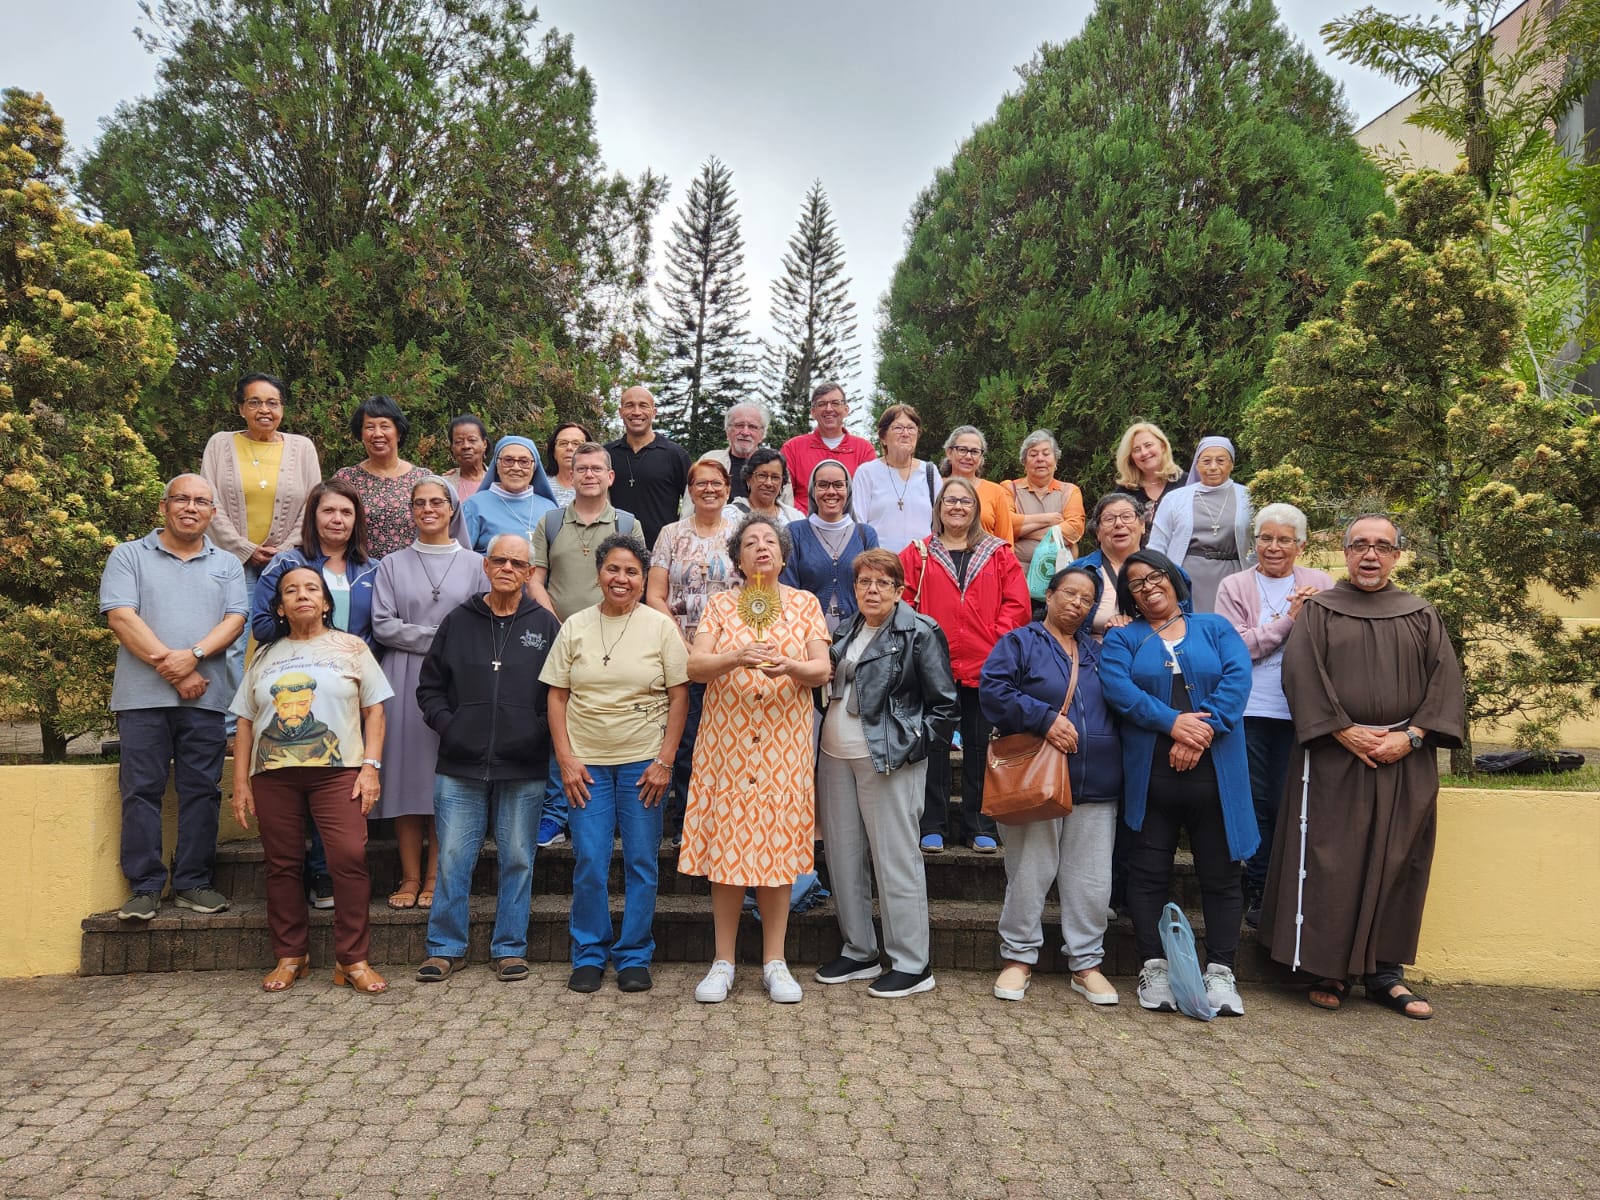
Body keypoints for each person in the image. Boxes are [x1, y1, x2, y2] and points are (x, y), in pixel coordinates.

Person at [1258, 515, 1464, 1020]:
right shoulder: (1320, 610)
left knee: (1398, 860)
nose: (1370, 555)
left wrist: (1411, 736)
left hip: (1404, 758)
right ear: (1345, 554)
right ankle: (1329, 968)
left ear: (1397, 555)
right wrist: (1342, 730)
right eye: (1360, 546)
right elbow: (1301, 674)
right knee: (1334, 860)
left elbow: (1446, 683)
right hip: (1333, 755)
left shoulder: (1420, 614)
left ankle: (1385, 974)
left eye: (1381, 547)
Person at [681, 515, 832, 1003]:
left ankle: (775, 961)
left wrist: (789, 666)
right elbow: (696, 666)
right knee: (727, 849)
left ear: (784, 556)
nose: (761, 548)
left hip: (783, 747)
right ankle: (722, 961)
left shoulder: (805, 604)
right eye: (750, 542)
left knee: (777, 852)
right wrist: (737, 656)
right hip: (726, 743)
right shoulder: (721, 605)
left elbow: (821, 670)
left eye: (770, 541)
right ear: (738, 559)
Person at [1100, 550, 1256, 1017]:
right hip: (1152, 774)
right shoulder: (1121, 639)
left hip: (1215, 772)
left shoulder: (1216, 628)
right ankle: (1154, 967)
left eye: (1155, 578)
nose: (1148, 588)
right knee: (1147, 875)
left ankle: (1222, 972)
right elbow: (1119, 690)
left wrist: (1201, 729)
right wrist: (1174, 724)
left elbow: (1237, 677)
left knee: (1222, 875)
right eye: (1137, 585)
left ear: (1174, 579)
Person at [229, 567, 392, 993]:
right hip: (272, 775)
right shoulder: (265, 655)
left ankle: (352, 960)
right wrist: (241, 782)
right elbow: (245, 721)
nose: (302, 596)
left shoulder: (352, 647)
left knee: (348, 858)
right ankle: (290, 955)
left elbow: (375, 710)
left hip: (338, 773)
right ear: (280, 607)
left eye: (311, 589)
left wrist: (370, 766)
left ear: (325, 602)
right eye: (291, 591)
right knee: (282, 864)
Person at [542, 536, 690, 993]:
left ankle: (633, 954)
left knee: (643, 861)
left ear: (644, 580)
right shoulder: (575, 626)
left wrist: (665, 761)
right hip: (587, 766)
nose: (621, 579)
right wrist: (565, 759)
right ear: (598, 574)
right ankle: (589, 952)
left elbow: (680, 694)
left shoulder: (660, 627)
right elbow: (557, 695)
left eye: (631, 572)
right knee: (589, 859)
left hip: (643, 765)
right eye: (613, 569)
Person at [413, 534, 561, 984]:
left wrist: (534, 733)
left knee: (518, 857)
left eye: (518, 563)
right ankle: (444, 947)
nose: (508, 568)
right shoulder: (458, 621)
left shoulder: (546, 626)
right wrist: (451, 725)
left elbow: (559, 692)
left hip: (524, 765)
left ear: (530, 573)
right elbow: (429, 687)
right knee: (454, 857)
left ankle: (510, 948)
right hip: (460, 763)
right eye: (499, 560)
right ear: (485, 565)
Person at [100, 475, 248, 921]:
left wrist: (196, 656)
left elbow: (236, 619)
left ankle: (193, 882)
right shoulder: (129, 555)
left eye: (201, 501)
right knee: (140, 790)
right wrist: (176, 669)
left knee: (202, 791)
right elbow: (121, 616)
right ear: (164, 506)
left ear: (213, 514)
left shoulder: (227, 563)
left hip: (205, 700)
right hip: (142, 699)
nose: (191, 507)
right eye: (181, 499)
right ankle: (144, 887)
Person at [815, 549, 958, 998]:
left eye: (882, 583)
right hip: (834, 757)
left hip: (889, 761)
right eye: (864, 582)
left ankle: (913, 963)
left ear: (900, 590)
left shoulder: (919, 631)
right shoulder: (845, 628)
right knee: (842, 855)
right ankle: (860, 950)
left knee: (895, 859)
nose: (871, 590)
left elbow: (945, 705)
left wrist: (910, 747)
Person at [979, 566, 1123, 1005]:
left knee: (1092, 880)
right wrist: (1044, 720)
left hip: (1096, 782)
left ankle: (1086, 963)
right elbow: (993, 690)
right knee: (1029, 872)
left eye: (1087, 599)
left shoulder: (1098, 652)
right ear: (1051, 594)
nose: (1077, 604)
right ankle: (1018, 958)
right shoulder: (1021, 642)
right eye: (1070, 594)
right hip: (1036, 781)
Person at [252, 478, 380, 910]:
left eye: (346, 512)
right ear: (314, 516)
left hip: (351, 683)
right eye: (329, 511)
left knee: (338, 780)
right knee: (297, 773)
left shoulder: (372, 568)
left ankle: (326, 874)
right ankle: (301, 869)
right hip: (294, 681)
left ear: (357, 520)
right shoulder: (288, 564)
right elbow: (262, 625)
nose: (338, 519)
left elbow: (378, 629)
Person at [1214, 503, 1334, 925]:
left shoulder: (1321, 583)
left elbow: (1331, 642)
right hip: (1250, 710)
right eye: (1265, 538)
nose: (1274, 547)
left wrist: (1312, 617)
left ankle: (1292, 890)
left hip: (1302, 713)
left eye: (1284, 539)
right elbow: (1237, 648)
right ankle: (1260, 888)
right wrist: (1289, 620)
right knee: (1257, 801)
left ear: (1300, 545)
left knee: (1293, 801)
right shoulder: (1234, 586)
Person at [371, 477, 487, 910]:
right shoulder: (391, 564)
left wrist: (439, 641)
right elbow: (383, 624)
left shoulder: (477, 564)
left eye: (437, 502)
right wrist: (438, 636)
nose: (428, 509)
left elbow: (479, 622)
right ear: (411, 511)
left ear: (453, 509)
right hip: (401, 677)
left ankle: (438, 873)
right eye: (419, 503)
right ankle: (409, 875)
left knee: (444, 777)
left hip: (456, 680)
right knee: (405, 778)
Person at [900, 476, 1031, 854]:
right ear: (939, 509)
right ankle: (933, 824)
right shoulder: (918, 553)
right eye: (950, 501)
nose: (957, 507)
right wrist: (921, 642)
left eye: (965, 502)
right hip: (933, 663)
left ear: (976, 510)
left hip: (985, 664)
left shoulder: (998, 552)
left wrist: (995, 639)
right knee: (936, 747)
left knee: (979, 746)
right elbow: (905, 601)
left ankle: (980, 825)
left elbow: (1017, 604)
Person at [528, 441, 645, 848]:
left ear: (610, 476)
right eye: (582, 469)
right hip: (559, 636)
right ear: (571, 475)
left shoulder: (627, 523)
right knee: (558, 719)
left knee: (605, 716)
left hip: (614, 638)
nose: (590, 475)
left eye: (598, 469)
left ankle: (604, 810)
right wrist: (558, 623)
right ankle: (555, 812)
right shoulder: (551, 522)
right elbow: (534, 579)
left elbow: (633, 580)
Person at [199, 372, 322, 725]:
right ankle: (231, 725)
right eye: (254, 402)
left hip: (287, 561)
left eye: (272, 402)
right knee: (234, 640)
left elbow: (312, 504)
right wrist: (244, 548)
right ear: (241, 408)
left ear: (282, 409)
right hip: (231, 560)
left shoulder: (301, 448)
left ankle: (278, 717)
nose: (264, 409)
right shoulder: (220, 444)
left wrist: (283, 550)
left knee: (283, 637)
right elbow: (211, 502)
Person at [646, 459, 739, 844]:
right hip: (679, 648)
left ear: (728, 489)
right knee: (687, 740)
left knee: (727, 741)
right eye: (700, 483)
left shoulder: (741, 533)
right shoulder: (671, 534)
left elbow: (757, 591)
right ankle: (685, 821)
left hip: (731, 654)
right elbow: (654, 594)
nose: (709, 490)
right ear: (689, 490)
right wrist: (683, 645)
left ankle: (725, 822)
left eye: (716, 483)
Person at [1147, 435, 1254, 613]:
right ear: (1196, 465)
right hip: (1186, 578)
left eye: (1221, 460)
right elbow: (1157, 546)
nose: (1213, 467)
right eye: (1206, 461)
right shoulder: (1175, 499)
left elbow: (1262, 541)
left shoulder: (1248, 497)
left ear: (1232, 464)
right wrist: (1161, 578)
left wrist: (1251, 570)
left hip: (1233, 577)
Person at [780, 459, 880, 634]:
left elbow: (876, 589)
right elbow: (788, 592)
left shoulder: (866, 535)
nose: (831, 491)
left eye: (838, 485)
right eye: (823, 485)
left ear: (848, 490)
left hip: (857, 636)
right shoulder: (794, 533)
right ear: (813, 490)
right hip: (806, 636)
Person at [333, 395, 434, 559]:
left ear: (398, 432)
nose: (377, 434)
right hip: (361, 572)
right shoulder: (346, 478)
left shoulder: (423, 479)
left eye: (385, 426)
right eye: (370, 427)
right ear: (362, 435)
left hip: (413, 572)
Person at [605, 385, 691, 551]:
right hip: (614, 550)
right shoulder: (606, 455)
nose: (636, 412)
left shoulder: (675, 455)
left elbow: (692, 501)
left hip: (662, 552)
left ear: (654, 412)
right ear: (620, 412)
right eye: (629, 405)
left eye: (643, 405)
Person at [851, 403, 938, 554]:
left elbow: (940, 522)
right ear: (883, 437)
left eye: (911, 428)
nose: (906, 433)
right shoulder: (866, 473)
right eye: (898, 428)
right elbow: (858, 524)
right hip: (880, 565)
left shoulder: (930, 472)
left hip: (922, 564)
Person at [779, 381, 877, 515]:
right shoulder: (792, 448)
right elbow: (784, 494)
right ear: (813, 412)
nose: (829, 409)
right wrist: (806, 520)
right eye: (822, 404)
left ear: (846, 410)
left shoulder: (864, 450)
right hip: (802, 525)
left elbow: (870, 497)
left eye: (835, 403)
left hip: (850, 527)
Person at [1006, 430, 1086, 581]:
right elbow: (1005, 525)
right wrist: (1049, 519)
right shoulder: (1009, 489)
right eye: (1033, 454)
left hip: (1059, 579)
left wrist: (1022, 532)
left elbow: (1074, 529)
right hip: (1016, 578)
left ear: (1056, 460)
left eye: (1046, 453)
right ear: (1024, 462)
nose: (1040, 459)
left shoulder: (1070, 491)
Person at [1065, 493, 1148, 638]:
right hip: (1092, 655)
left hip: (1151, 654)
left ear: (1142, 525)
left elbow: (1179, 622)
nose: (1119, 524)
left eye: (1127, 516)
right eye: (1109, 519)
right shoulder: (1078, 571)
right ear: (1097, 532)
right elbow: (1058, 624)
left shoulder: (1164, 571)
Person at [459, 435, 558, 553]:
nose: (516, 467)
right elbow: (460, 558)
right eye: (508, 460)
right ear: (497, 464)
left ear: (534, 466)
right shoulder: (473, 506)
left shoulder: (550, 508)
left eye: (524, 462)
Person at [692, 402, 794, 509]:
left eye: (752, 427)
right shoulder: (709, 461)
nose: (745, 432)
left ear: (762, 434)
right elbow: (690, 506)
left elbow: (786, 510)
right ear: (728, 431)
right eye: (739, 425)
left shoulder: (776, 466)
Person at [941, 425, 1016, 545]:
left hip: (986, 561)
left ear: (981, 458)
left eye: (975, 452)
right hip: (939, 560)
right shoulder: (935, 486)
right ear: (949, 452)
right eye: (962, 450)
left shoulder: (996, 492)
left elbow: (1006, 542)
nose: (968, 456)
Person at [1111, 421, 1185, 521]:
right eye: (1136, 449)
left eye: (1148, 445)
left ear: (1162, 446)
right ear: (1131, 458)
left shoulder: (1186, 483)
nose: (1144, 452)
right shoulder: (1124, 492)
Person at [728, 447, 803, 526]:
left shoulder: (795, 518)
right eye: (762, 476)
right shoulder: (731, 516)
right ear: (748, 479)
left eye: (775, 477)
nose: (768, 483)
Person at [440, 415, 489, 502]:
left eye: (472, 440)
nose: (466, 446)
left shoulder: (499, 480)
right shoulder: (444, 485)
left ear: (484, 444)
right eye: (458, 442)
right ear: (452, 448)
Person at [546, 421, 595, 507]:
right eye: (563, 443)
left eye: (576, 444)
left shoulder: (598, 484)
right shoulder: (541, 486)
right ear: (553, 452)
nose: (569, 448)